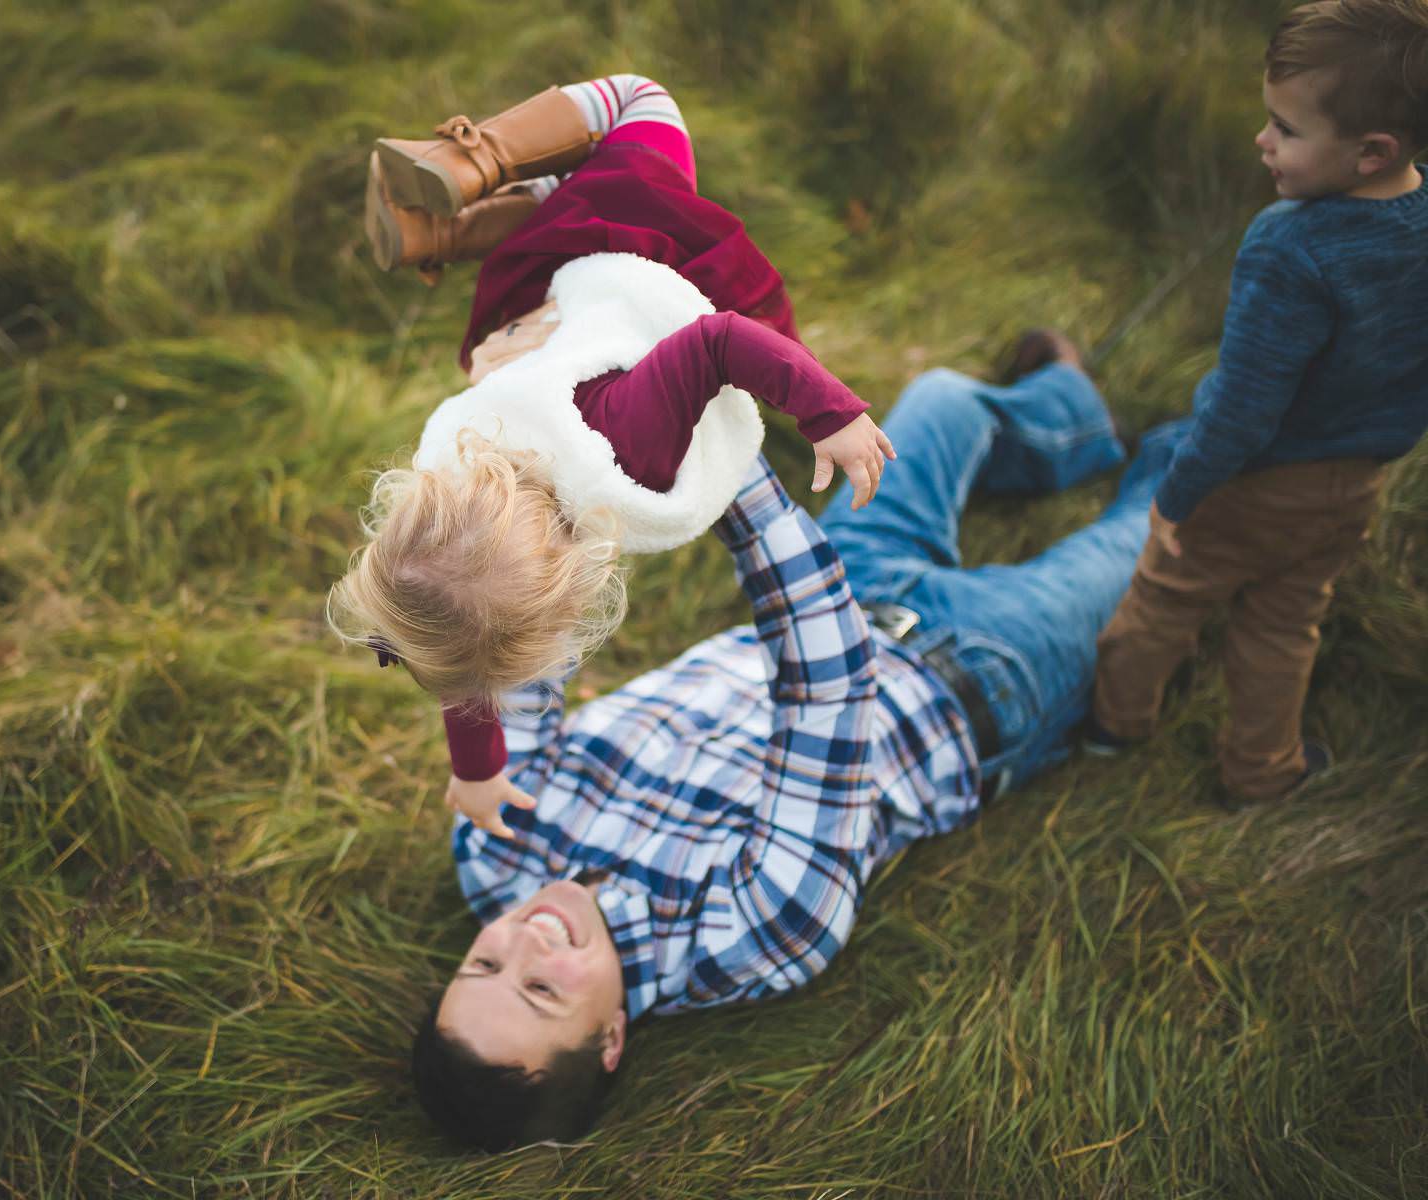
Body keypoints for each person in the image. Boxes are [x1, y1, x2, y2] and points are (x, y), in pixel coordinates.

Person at [411, 343, 1184, 1152]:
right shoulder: (757, 934)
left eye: (483, 966)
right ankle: (1223, 429)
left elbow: (526, 651)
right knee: (1171, 518)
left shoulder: (493, 851)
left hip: (844, 575)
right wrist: (722, 458)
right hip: (976, 675)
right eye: (540, 989)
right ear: (610, 1038)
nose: (524, 938)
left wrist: (544, 488)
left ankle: (1074, 417)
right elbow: (828, 685)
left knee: (943, 399)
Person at [331, 77, 894, 843]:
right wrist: (475, 770)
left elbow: (720, 339)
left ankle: (474, 163)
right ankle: (490, 217)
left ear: (572, 588)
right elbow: (462, 658)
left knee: (643, 102)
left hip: (639, 243)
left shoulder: (627, 450)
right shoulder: (448, 500)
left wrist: (829, 414)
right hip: (533, 296)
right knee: (577, 176)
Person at [1088, 0, 1428, 804]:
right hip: (1354, 484)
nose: (1261, 140)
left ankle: (1115, 725)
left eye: (1286, 128)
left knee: (1164, 596)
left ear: (1372, 152)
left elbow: (1242, 408)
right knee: (1284, 623)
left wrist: (1178, 495)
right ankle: (1262, 771)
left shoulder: (1290, 246)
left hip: (1254, 480)